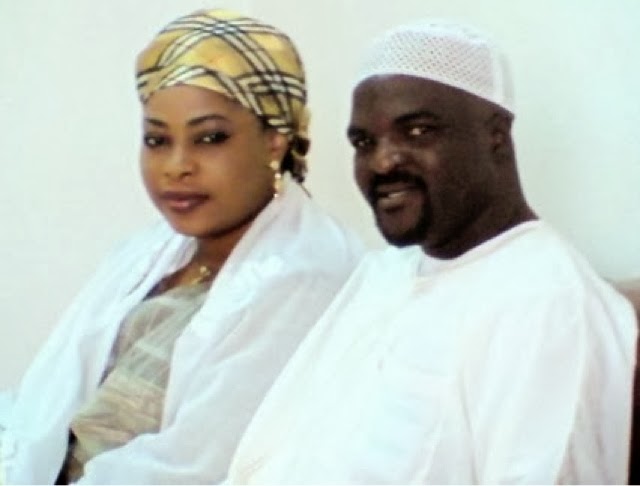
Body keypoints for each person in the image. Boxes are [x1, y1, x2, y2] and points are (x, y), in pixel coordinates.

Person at [225, 20, 637, 484]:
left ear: (496, 135)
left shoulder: (546, 304)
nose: (383, 161)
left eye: (419, 131)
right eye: (364, 142)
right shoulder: (384, 272)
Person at [0, 9, 363, 484]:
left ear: (275, 140)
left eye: (209, 138)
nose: (177, 166)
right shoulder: (151, 253)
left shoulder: (306, 275)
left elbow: (194, 468)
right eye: (157, 140)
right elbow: (47, 413)